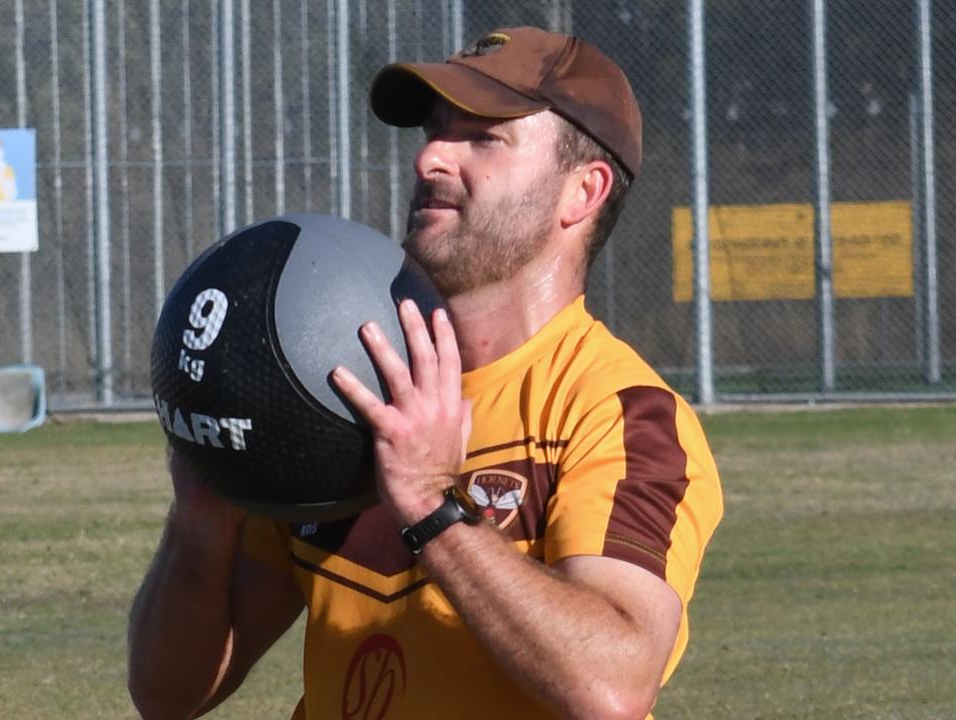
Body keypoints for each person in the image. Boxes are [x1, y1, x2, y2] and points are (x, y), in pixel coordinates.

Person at [128, 25, 723, 720]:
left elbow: (613, 684)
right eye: (435, 131)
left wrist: (428, 505)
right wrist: (201, 521)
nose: (431, 158)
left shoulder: (616, 413)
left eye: (483, 138)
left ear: (581, 193)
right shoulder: (336, 384)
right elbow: (167, 695)